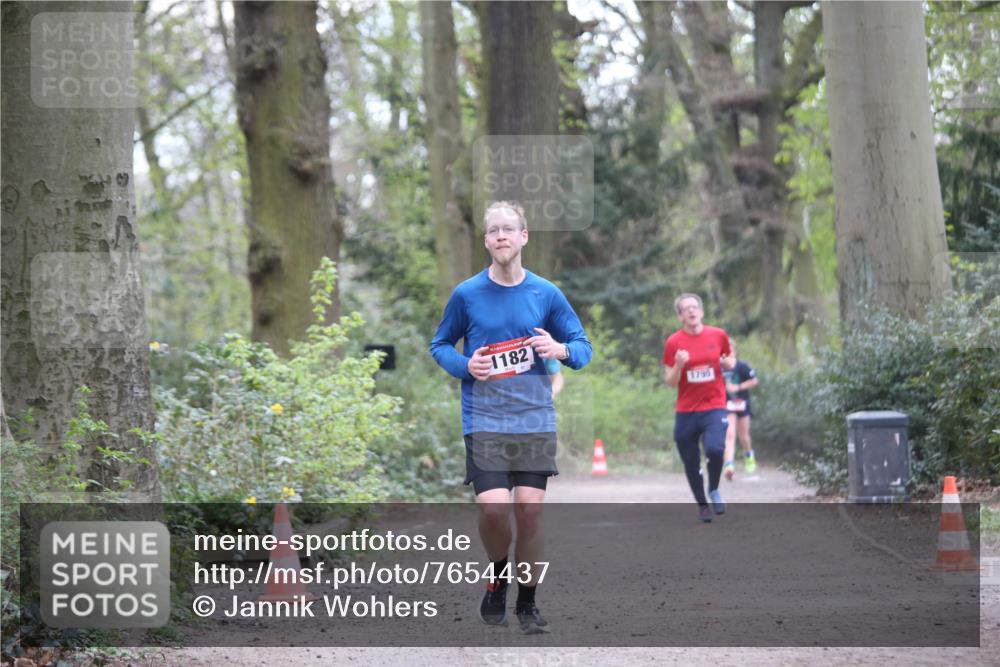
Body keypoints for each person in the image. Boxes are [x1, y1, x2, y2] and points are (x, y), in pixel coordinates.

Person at [430, 201, 592, 634]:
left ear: (523, 236)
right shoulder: (467, 294)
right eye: (493, 230)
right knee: (494, 510)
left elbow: (582, 347)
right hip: (484, 419)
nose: (501, 236)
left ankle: (528, 603)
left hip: (534, 419)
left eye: (508, 229)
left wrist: (561, 350)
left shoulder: (546, 293)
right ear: (486, 241)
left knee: (530, 511)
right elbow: (440, 345)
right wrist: (466, 365)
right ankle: (498, 574)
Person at [662, 293, 735, 523]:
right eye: (686, 309)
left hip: (714, 405)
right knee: (691, 461)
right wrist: (679, 364)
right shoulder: (673, 342)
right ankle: (702, 504)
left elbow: (730, 359)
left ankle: (714, 489)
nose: (691, 311)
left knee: (715, 449)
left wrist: (729, 363)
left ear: (701, 312)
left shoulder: (718, 335)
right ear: (680, 316)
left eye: (694, 307)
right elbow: (670, 382)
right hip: (687, 410)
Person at [722, 339, 759, 480]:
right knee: (729, 434)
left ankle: (749, 455)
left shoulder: (742, 366)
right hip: (727, 405)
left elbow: (754, 381)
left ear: (735, 351)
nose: (728, 354)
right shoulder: (720, 368)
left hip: (742, 403)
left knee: (744, 435)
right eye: (725, 352)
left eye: (730, 351)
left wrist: (738, 387)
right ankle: (729, 465)